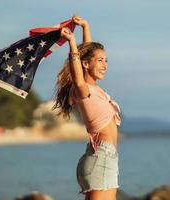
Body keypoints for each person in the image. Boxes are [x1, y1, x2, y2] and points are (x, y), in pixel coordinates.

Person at [53, 15, 122, 200]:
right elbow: (78, 73)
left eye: (106, 60)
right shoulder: (83, 91)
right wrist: (72, 43)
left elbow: (87, 54)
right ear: (85, 64)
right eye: (100, 61)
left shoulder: (93, 89)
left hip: (103, 158)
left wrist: (85, 27)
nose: (105, 65)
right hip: (101, 159)